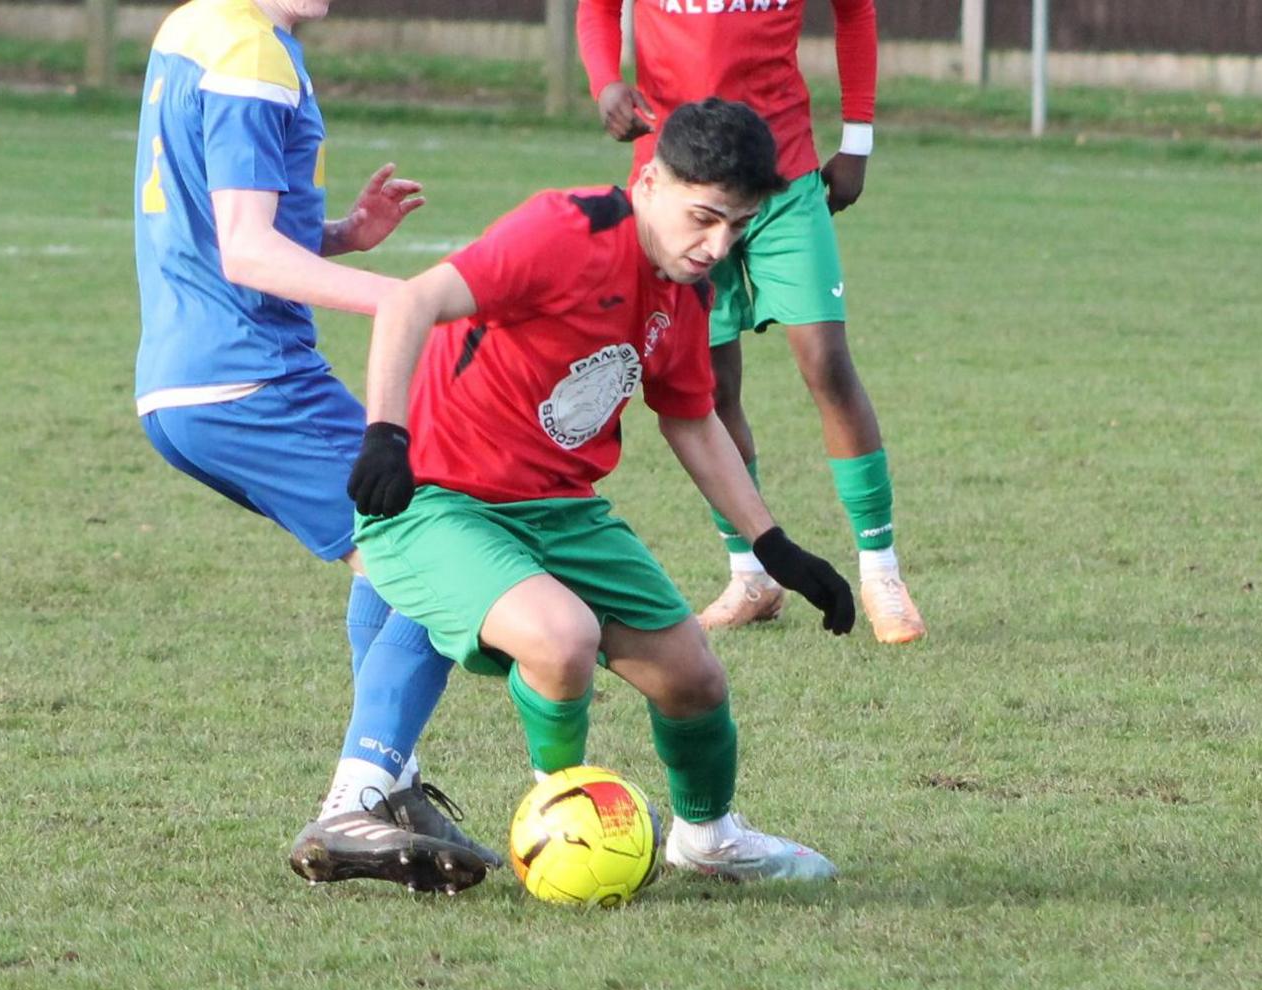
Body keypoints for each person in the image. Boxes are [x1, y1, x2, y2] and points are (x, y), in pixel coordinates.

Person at [346, 99, 851, 885]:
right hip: (437, 500)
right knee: (562, 639)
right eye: (705, 216)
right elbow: (410, 300)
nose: (717, 244)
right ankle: (561, 819)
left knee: (694, 678)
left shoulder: (688, 288)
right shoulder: (564, 230)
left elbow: (691, 419)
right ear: (649, 181)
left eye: (738, 226)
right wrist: (386, 433)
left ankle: (708, 837)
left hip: (560, 509)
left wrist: (771, 542)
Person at [132, 0, 499, 894]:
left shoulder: (203, 28)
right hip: (246, 381)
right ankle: (357, 797)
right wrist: (402, 298)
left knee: (388, 551)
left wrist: (341, 238)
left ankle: (390, 786)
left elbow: (215, 217)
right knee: (443, 544)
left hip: (193, 381)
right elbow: (248, 254)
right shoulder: (250, 54)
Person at [577, 0, 926, 645]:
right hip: (680, 187)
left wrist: (858, 140)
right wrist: (605, 82)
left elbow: (855, 12)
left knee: (825, 362)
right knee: (704, 388)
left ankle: (881, 571)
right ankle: (751, 576)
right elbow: (597, 9)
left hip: (782, 179)